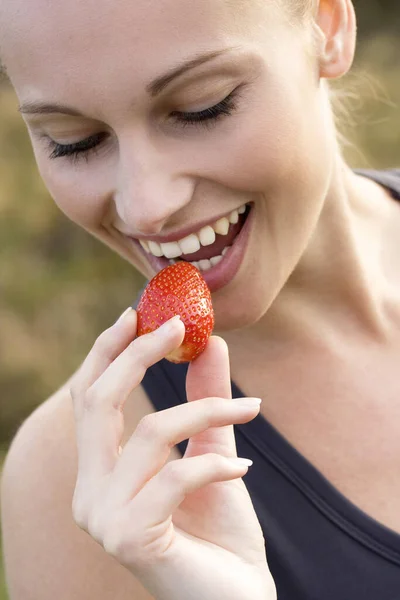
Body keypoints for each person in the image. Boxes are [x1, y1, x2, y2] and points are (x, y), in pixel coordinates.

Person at [1, 0, 400, 597]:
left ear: (329, 27)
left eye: (200, 108)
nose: (144, 205)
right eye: (73, 142)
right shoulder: (74, 479)